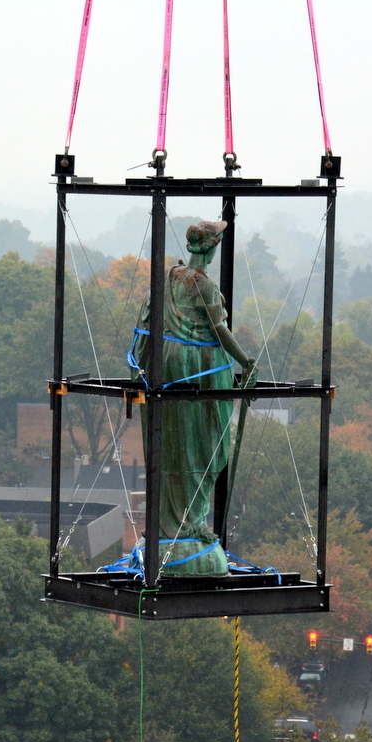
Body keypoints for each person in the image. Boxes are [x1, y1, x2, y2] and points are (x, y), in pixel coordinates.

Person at [131, 220, 254, 576]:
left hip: (167, 364)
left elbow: (147, 320)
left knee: (173, 442)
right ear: (213, 248)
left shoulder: (168, 276)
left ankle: (175, 523)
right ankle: (185, 526)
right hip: (198, 365)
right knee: (204, 445)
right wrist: (245, 360)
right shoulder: (203, 284)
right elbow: (220, 330)